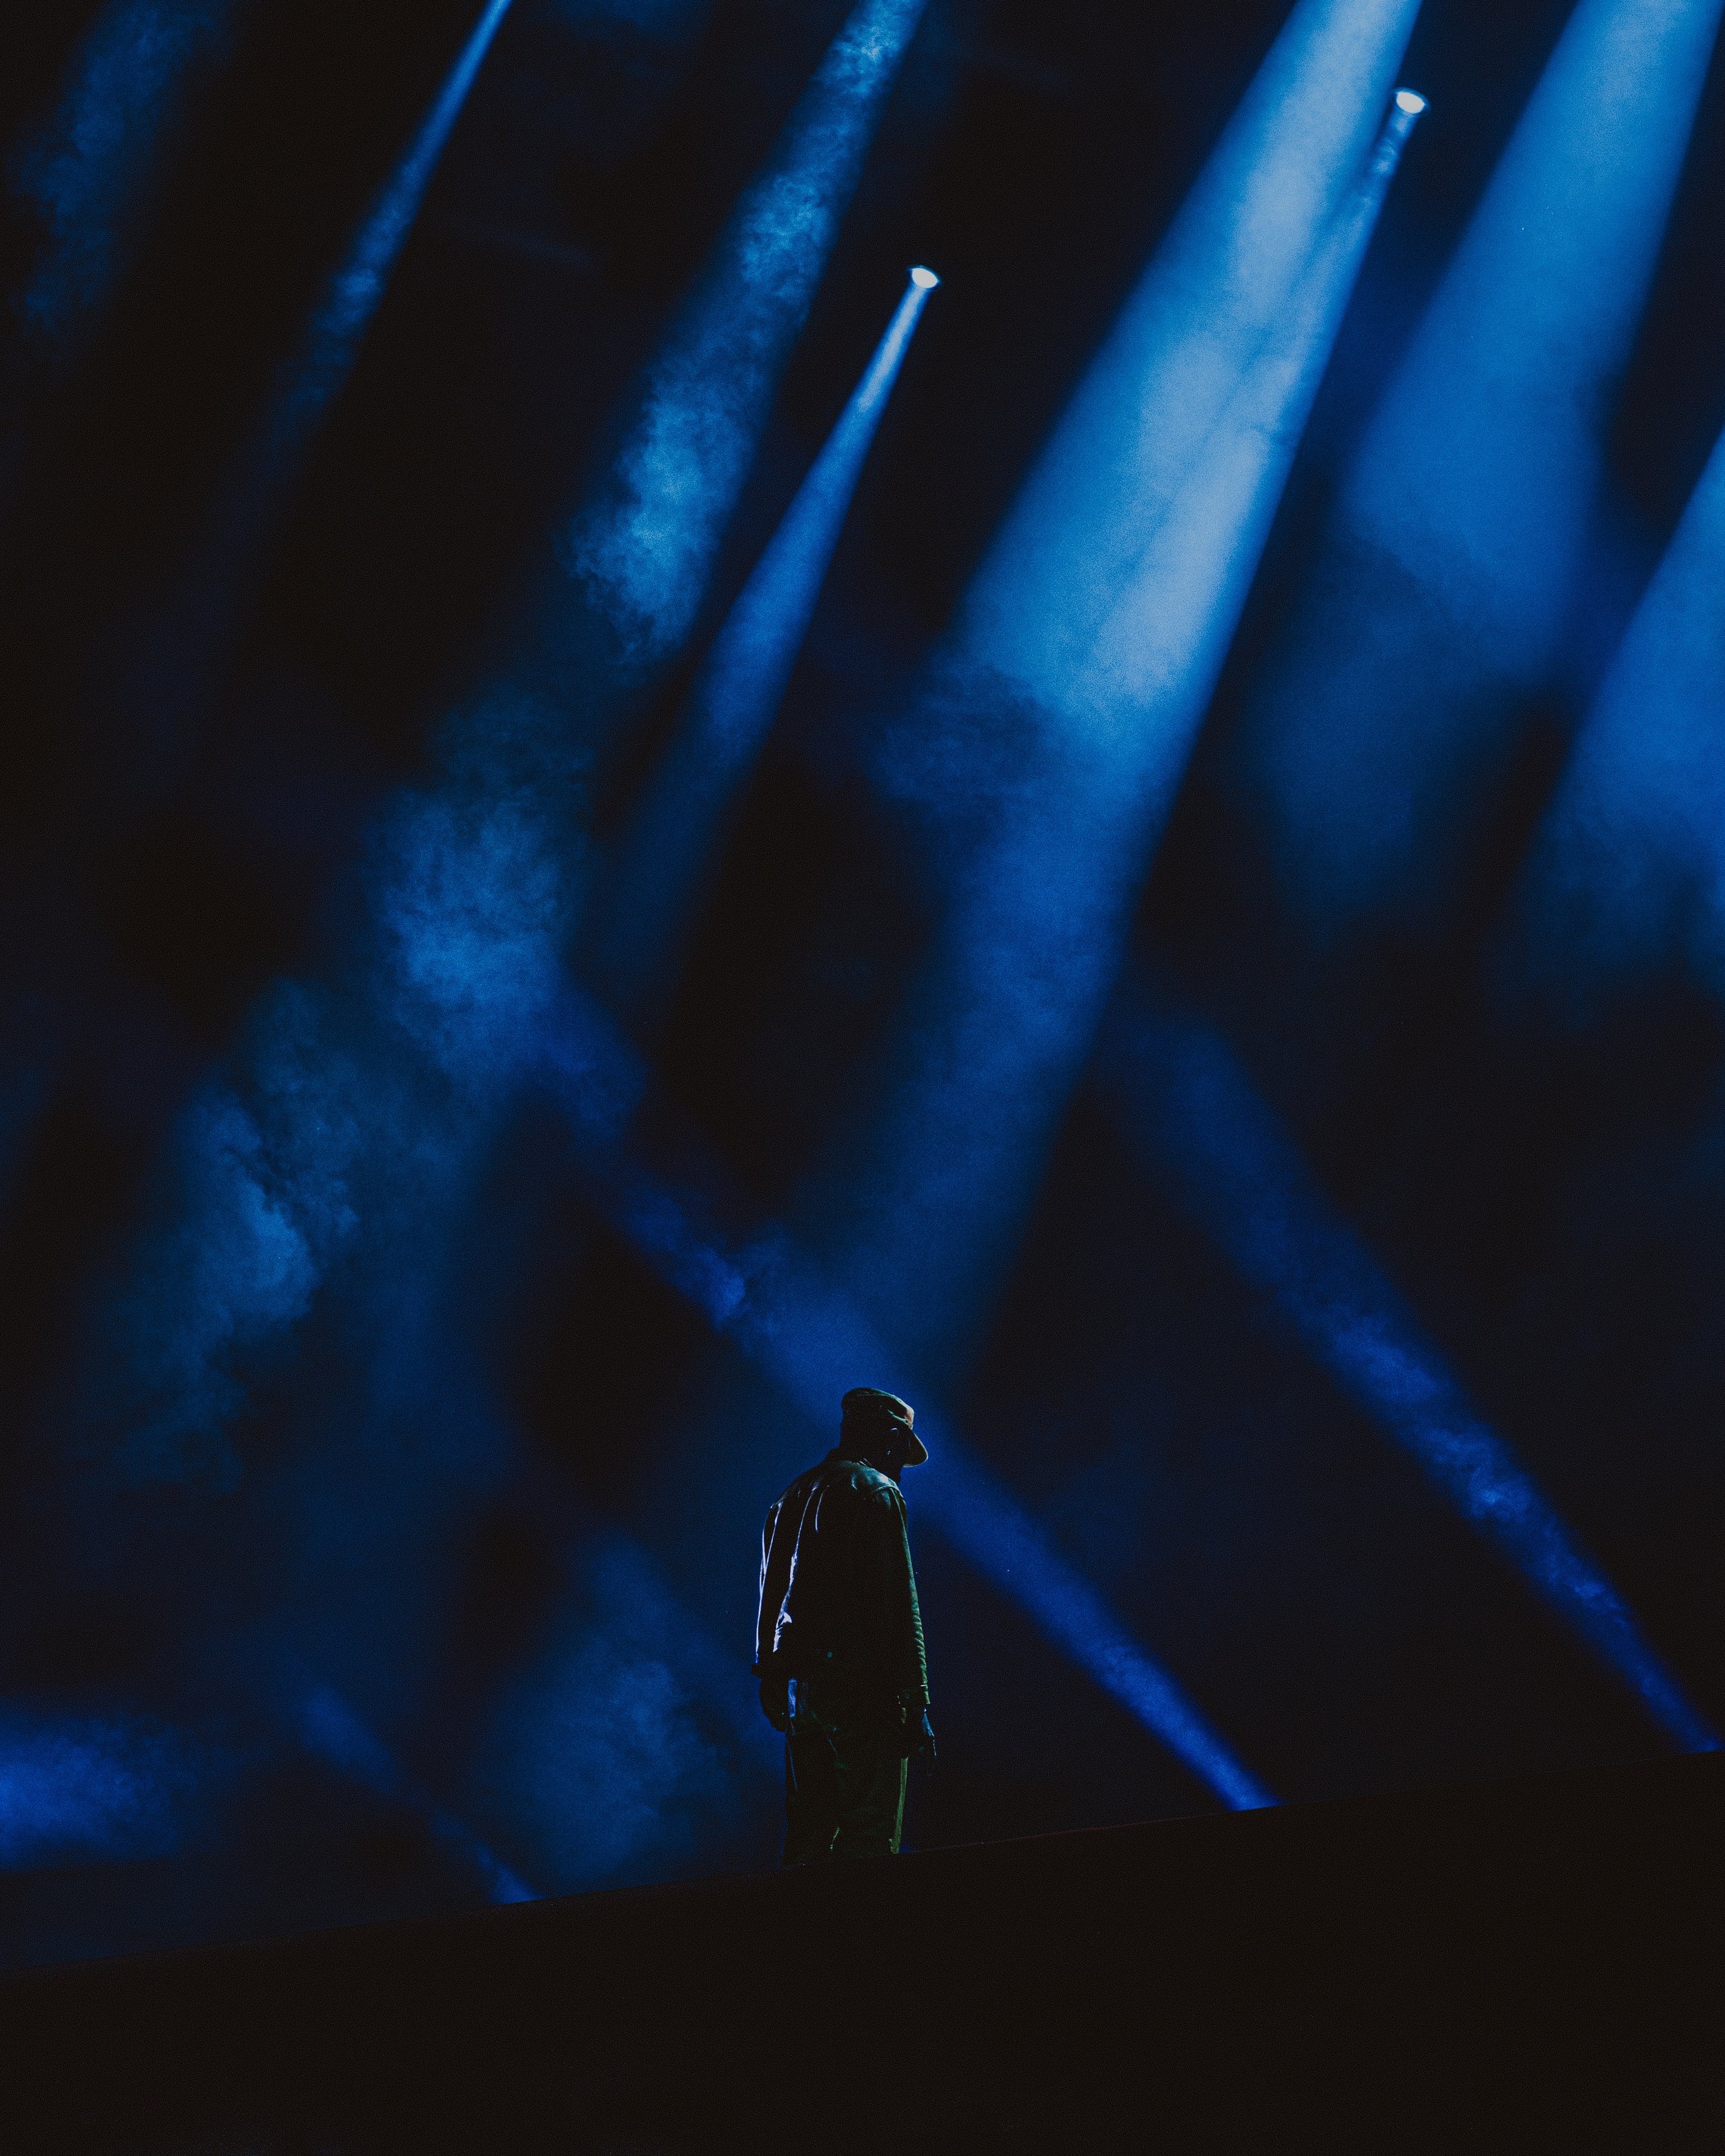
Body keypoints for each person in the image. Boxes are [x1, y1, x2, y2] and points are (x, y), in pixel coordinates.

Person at [754, 1387, 934, 1863]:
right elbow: (898, 1604)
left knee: (807, 1835)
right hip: (860, 1693)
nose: (900, 1465)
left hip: (799, 1691)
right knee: (869, 1839)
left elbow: (769, 1598)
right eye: (901, 1449)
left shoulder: (788, 1497)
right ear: (891, 1438)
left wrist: (771, 1676)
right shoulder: (877, 1491)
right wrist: (915, 1701)